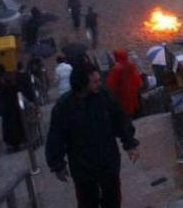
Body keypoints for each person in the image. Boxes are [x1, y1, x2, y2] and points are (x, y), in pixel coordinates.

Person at [46, 64, 139, 208]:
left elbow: (120, 119)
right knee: (87, 202)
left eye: (99, 80)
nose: (99, 84)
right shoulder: (64, 107)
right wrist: (57, 164)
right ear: (83, 83)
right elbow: (56, 136)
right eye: (94, 82)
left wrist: (130, 143)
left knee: (113, 199)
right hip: (82, 165)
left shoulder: (104, 96)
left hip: (108, 159)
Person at [105, 49, 142, 118]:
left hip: (122, 95)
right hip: (133, 94)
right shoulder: (131, 66)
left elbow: (110, 85)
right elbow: (138, 81)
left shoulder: (116, 69)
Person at [0, 71, 27, 152]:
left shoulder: (2, 90)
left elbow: (1, 102)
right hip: (16, 110)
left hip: (7, 112)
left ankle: (12, 144)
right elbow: (20, 99)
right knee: (18, 126)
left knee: (9, 128)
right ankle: (20, 142)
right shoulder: (16, 88)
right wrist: (22, 107)